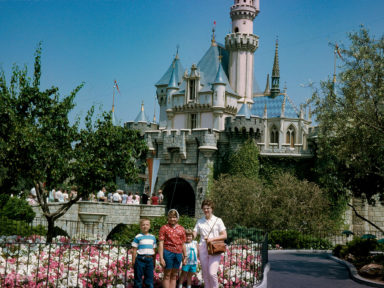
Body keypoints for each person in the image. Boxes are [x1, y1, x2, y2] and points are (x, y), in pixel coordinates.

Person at [193, 199, 227, 288]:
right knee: (205, 273)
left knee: (212, 273)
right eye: (204, 208)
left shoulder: (218, 220)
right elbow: (194, 233)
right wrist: (189, 236)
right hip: (203, 248)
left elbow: (224, 235)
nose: (206, 210)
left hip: (214, 248)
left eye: (208, 208)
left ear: (212, 208)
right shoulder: (200, 221)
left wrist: (212, 239)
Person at [159, 209, 186, 288]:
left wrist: (185, 256)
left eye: (174, 217)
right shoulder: (164, 228)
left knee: (174, 275)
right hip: (168, 252)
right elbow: (161, 243)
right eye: (170, 217)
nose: (172, 219)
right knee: (167, 274)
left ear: (177, 218)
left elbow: (183, 244)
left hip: (178, 254)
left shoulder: (182, 229)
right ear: (168, 218)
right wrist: (161, 258)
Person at [132, 218, 157, 288]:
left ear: (149, 226)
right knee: (138, 279)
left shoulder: (153, 237)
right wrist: (133, 261)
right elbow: (134, 250)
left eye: (147, 224)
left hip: (150, 260)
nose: (145, 226)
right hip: (140, 260)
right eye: (143, 225)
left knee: (149, 280)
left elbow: (154, 250)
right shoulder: (138, 237)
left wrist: (154, 261)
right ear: (140, 226)